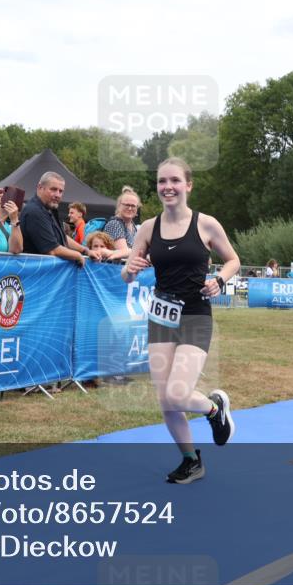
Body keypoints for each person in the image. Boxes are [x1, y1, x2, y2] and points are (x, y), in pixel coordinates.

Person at [121, 157, 240, 484]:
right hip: (161, 317)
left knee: (177, 393)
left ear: (188, 185)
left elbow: (233, 260)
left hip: (195, 315)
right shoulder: (149, 228)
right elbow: (127, 274)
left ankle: (214, 409)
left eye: (174, 180)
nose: (168, 187)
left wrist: (220, 279)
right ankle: (191, 461)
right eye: (162, 181)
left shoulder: (206, 224)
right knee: (166, 401)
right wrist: (129, 270)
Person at [20, 172, 95, 264]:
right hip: (36, 270)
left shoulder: (49, 209)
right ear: (40, 187)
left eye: (60, 191)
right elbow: (52, 250)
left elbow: (62, 237)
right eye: (53, 189)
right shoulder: (34, 211)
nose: (58, 195)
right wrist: (78, 255)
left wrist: (85, 250)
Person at [103, 186, 142, 261]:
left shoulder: (133, 226)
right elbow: (124, 253)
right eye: (127, 205)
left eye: (133, 206)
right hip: (114, 267)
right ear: (119, 206)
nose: (130, 208)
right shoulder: (114, 224)